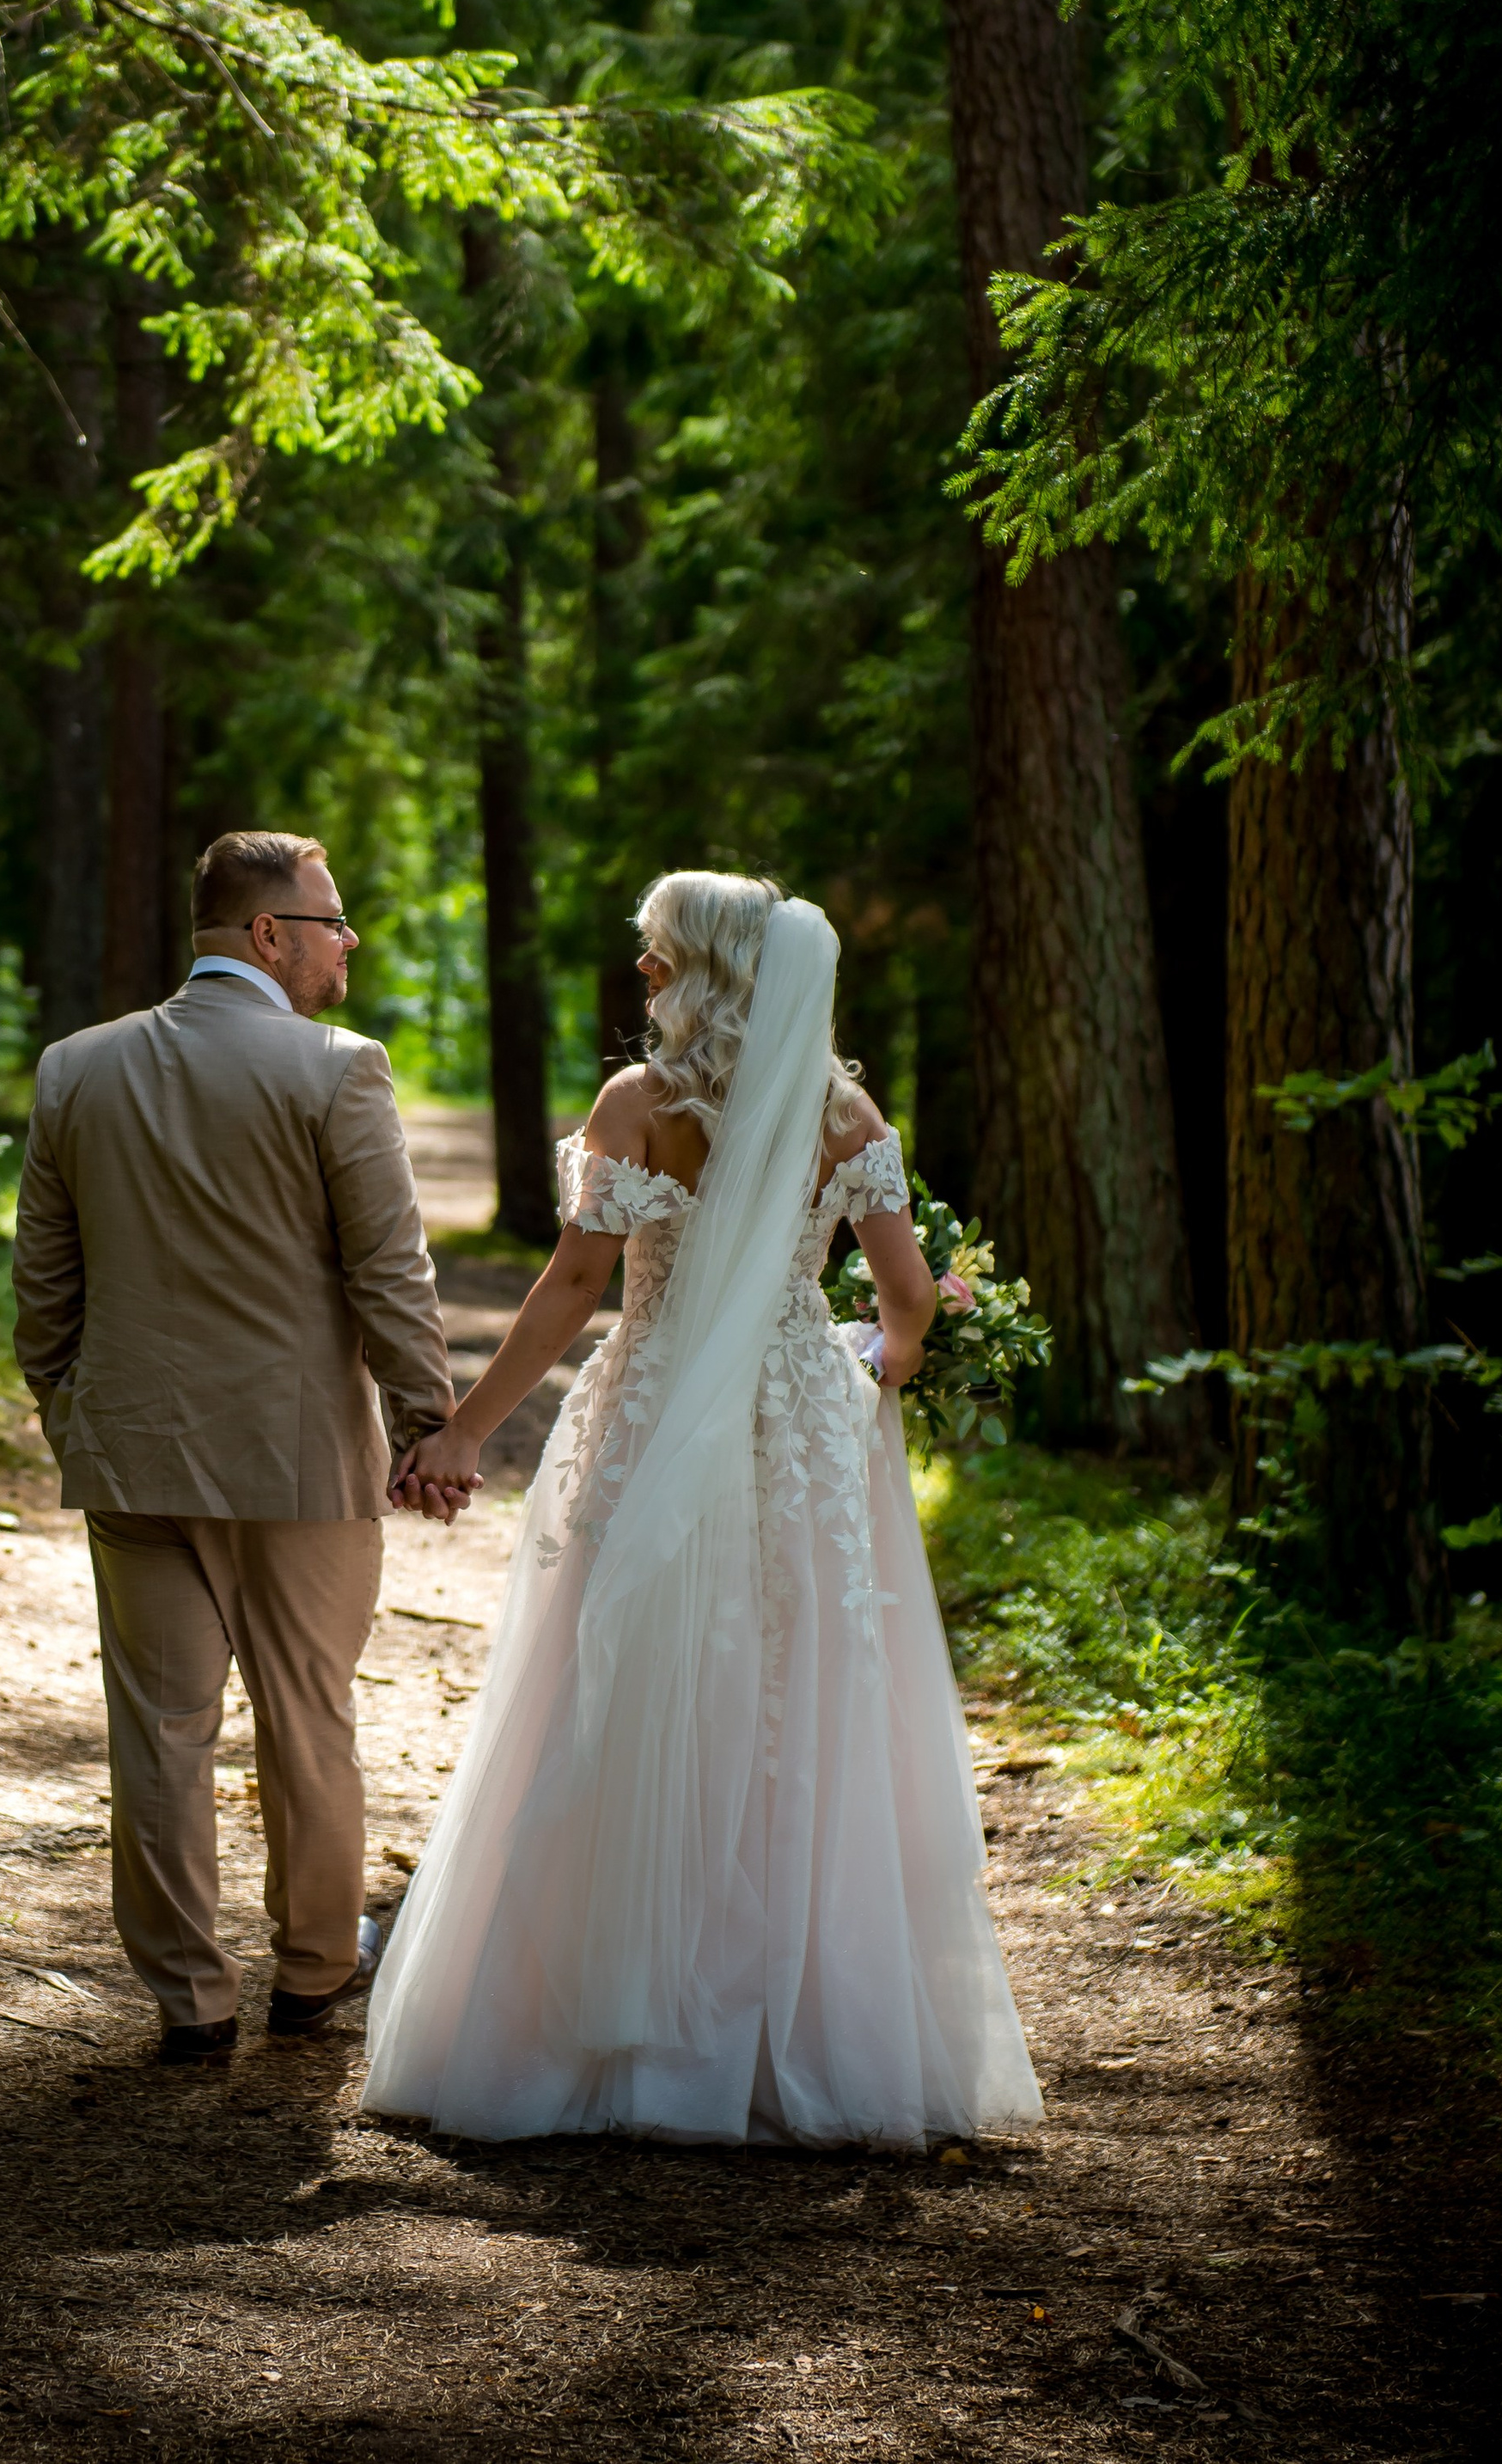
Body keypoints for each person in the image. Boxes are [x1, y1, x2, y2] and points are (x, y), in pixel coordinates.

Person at [363, 870, 1042, 2149]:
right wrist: (887, 1357)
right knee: (794, 1686)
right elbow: (902, 1291)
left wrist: (467, 1422)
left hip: (659, 1395)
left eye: (659, 955)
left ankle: (612, 2016)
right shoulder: (841, 1113)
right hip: (793, 1416)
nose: (645, 974)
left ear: (712, 967)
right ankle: (783, 2034)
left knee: (622, 1670)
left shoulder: (641, 1102)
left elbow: (575, 1283)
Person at [12, 828, 459, 2067]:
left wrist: (70, 1407)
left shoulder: (76, 1069)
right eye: (332, 920)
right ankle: (315, 1974)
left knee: (158, 1728)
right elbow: (389, 1270)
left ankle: (189, 2000)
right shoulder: (338, 1070)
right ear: (269, 935)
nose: (348, 941)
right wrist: (429, 1423)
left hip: (137, 1455)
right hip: (301, 1463)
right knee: (308, 1715)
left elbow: (45, 1282)